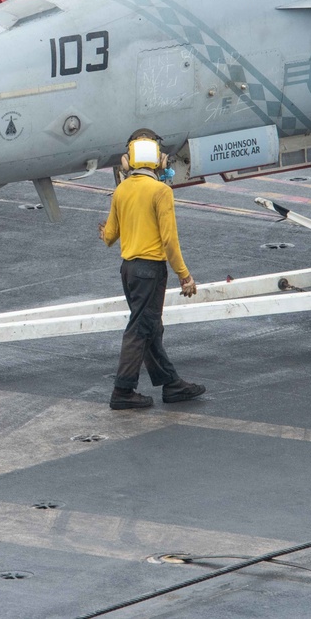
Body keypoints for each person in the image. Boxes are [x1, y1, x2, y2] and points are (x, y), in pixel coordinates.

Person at [99, 130, 206, 410]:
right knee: (140, 329)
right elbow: (169, 240)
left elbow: (110, 236)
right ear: (158, 161)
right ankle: (123, 391)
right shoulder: (161, 191)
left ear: (128, 162)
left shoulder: (122, 190)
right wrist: (185, 275)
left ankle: (171, 384)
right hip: (149, 271)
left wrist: (109, 231)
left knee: (149, 327)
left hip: (129, 270)